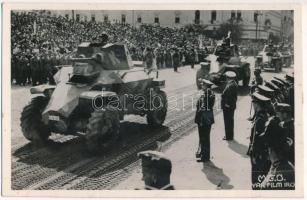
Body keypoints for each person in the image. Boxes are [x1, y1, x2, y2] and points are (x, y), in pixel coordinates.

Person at [260, 104, 295, 190]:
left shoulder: (290, 128)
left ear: (285, 114)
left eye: (278, 113)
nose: (277, 115)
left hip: (284, 162)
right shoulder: (284, 125)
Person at [246, 92, 271, 190]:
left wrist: (255, 154)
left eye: (254, 103)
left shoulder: (260, 119)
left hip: (259, 153)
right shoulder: (263, 115)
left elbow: (258, 138)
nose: (253, 105)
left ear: (258, 104)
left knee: (256, 177)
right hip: (262, 153)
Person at [194, 79, 215, 162]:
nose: (201, 86)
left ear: (206, 86)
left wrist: (198, 116)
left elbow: (203, 108)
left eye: (203, 85)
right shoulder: (209, 93)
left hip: (204, 119)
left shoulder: (206, 95)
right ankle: (204, 155)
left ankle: (205, 157)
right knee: (204, 138)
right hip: (207, 118)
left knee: (204, 138)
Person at [221, 71, 238, 141]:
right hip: (230, 106)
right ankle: (229, 135)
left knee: (228, 121)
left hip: (228, 107)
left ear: (228, 78)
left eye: (226, 77)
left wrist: (226, 105)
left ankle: (228, 136)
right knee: (229, 121)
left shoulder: (231, 85)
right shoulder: (233, 83)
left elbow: (230, 97)